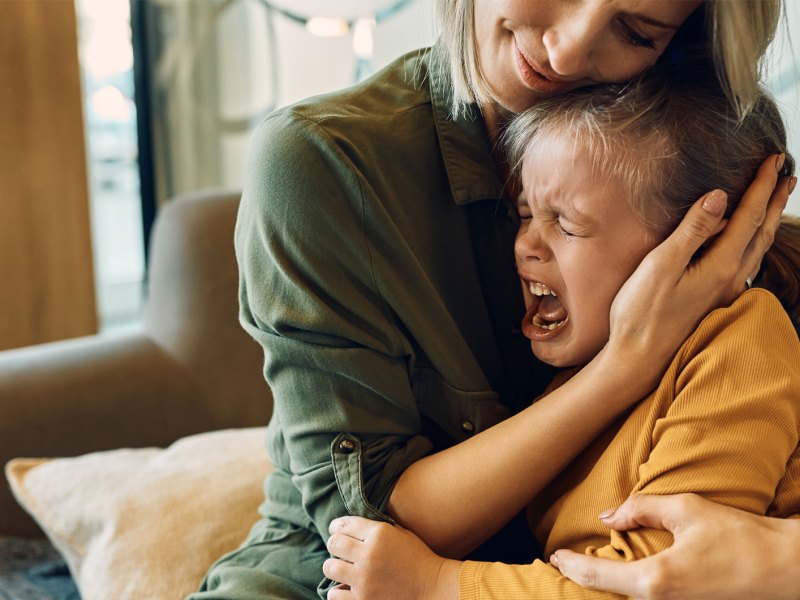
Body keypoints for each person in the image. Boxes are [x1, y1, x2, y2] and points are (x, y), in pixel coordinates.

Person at [191, 1, 791, 598]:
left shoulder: (712, 233)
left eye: (635, 32)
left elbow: (659, 574)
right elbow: (365, 535)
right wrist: (626, 364)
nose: (566, 53)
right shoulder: (327, 161)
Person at [322, 61, 800, 599]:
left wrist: (436, 585)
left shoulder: (741, 343)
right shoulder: (576, 379)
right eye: (526, 214)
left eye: (566, 225)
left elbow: (657, 583)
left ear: (703, 246)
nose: (525, 245)